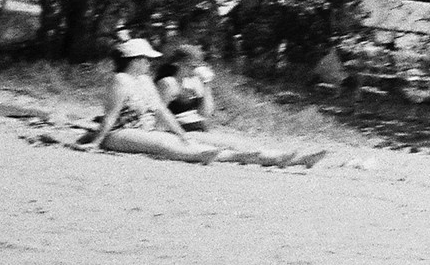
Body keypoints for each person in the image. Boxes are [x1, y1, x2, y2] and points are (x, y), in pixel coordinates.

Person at [75, 39, 324, 168]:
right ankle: (230, 157)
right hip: (119, 133)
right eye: (145, 59)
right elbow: (111, 116)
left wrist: (181, 133)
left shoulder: (144, 80)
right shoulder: (120, 80)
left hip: (144, 130)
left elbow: (161, 110)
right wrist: (96, 142)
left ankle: (279, 158)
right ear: (134, 59)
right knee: (167, 145)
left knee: (185, 142)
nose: (149, 63)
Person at [155, 41, 217, 133]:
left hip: (195, 128)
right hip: (175, 129)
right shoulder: (168, 83)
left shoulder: (194, 82)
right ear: (178, 64)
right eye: (191, 66)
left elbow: (205, 113)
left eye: (196, 66)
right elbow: (159, 114)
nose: (194, 70)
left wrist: (207, 85)